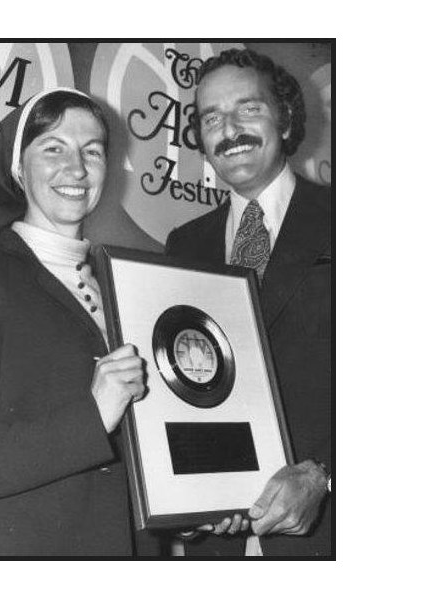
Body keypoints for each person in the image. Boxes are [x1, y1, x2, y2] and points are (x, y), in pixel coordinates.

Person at [0, 88, 147, 556]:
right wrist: (91, 417)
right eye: (53, 148)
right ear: (18, 167)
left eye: (91, 151)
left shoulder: (122, 288)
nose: (76, 169)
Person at [166, 49, 333, 557]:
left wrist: (328, 477)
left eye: (248, 109)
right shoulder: (182, 246)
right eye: (211, 117)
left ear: (283, 119)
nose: (229, 129)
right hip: (213, 544)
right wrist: (182, 502)